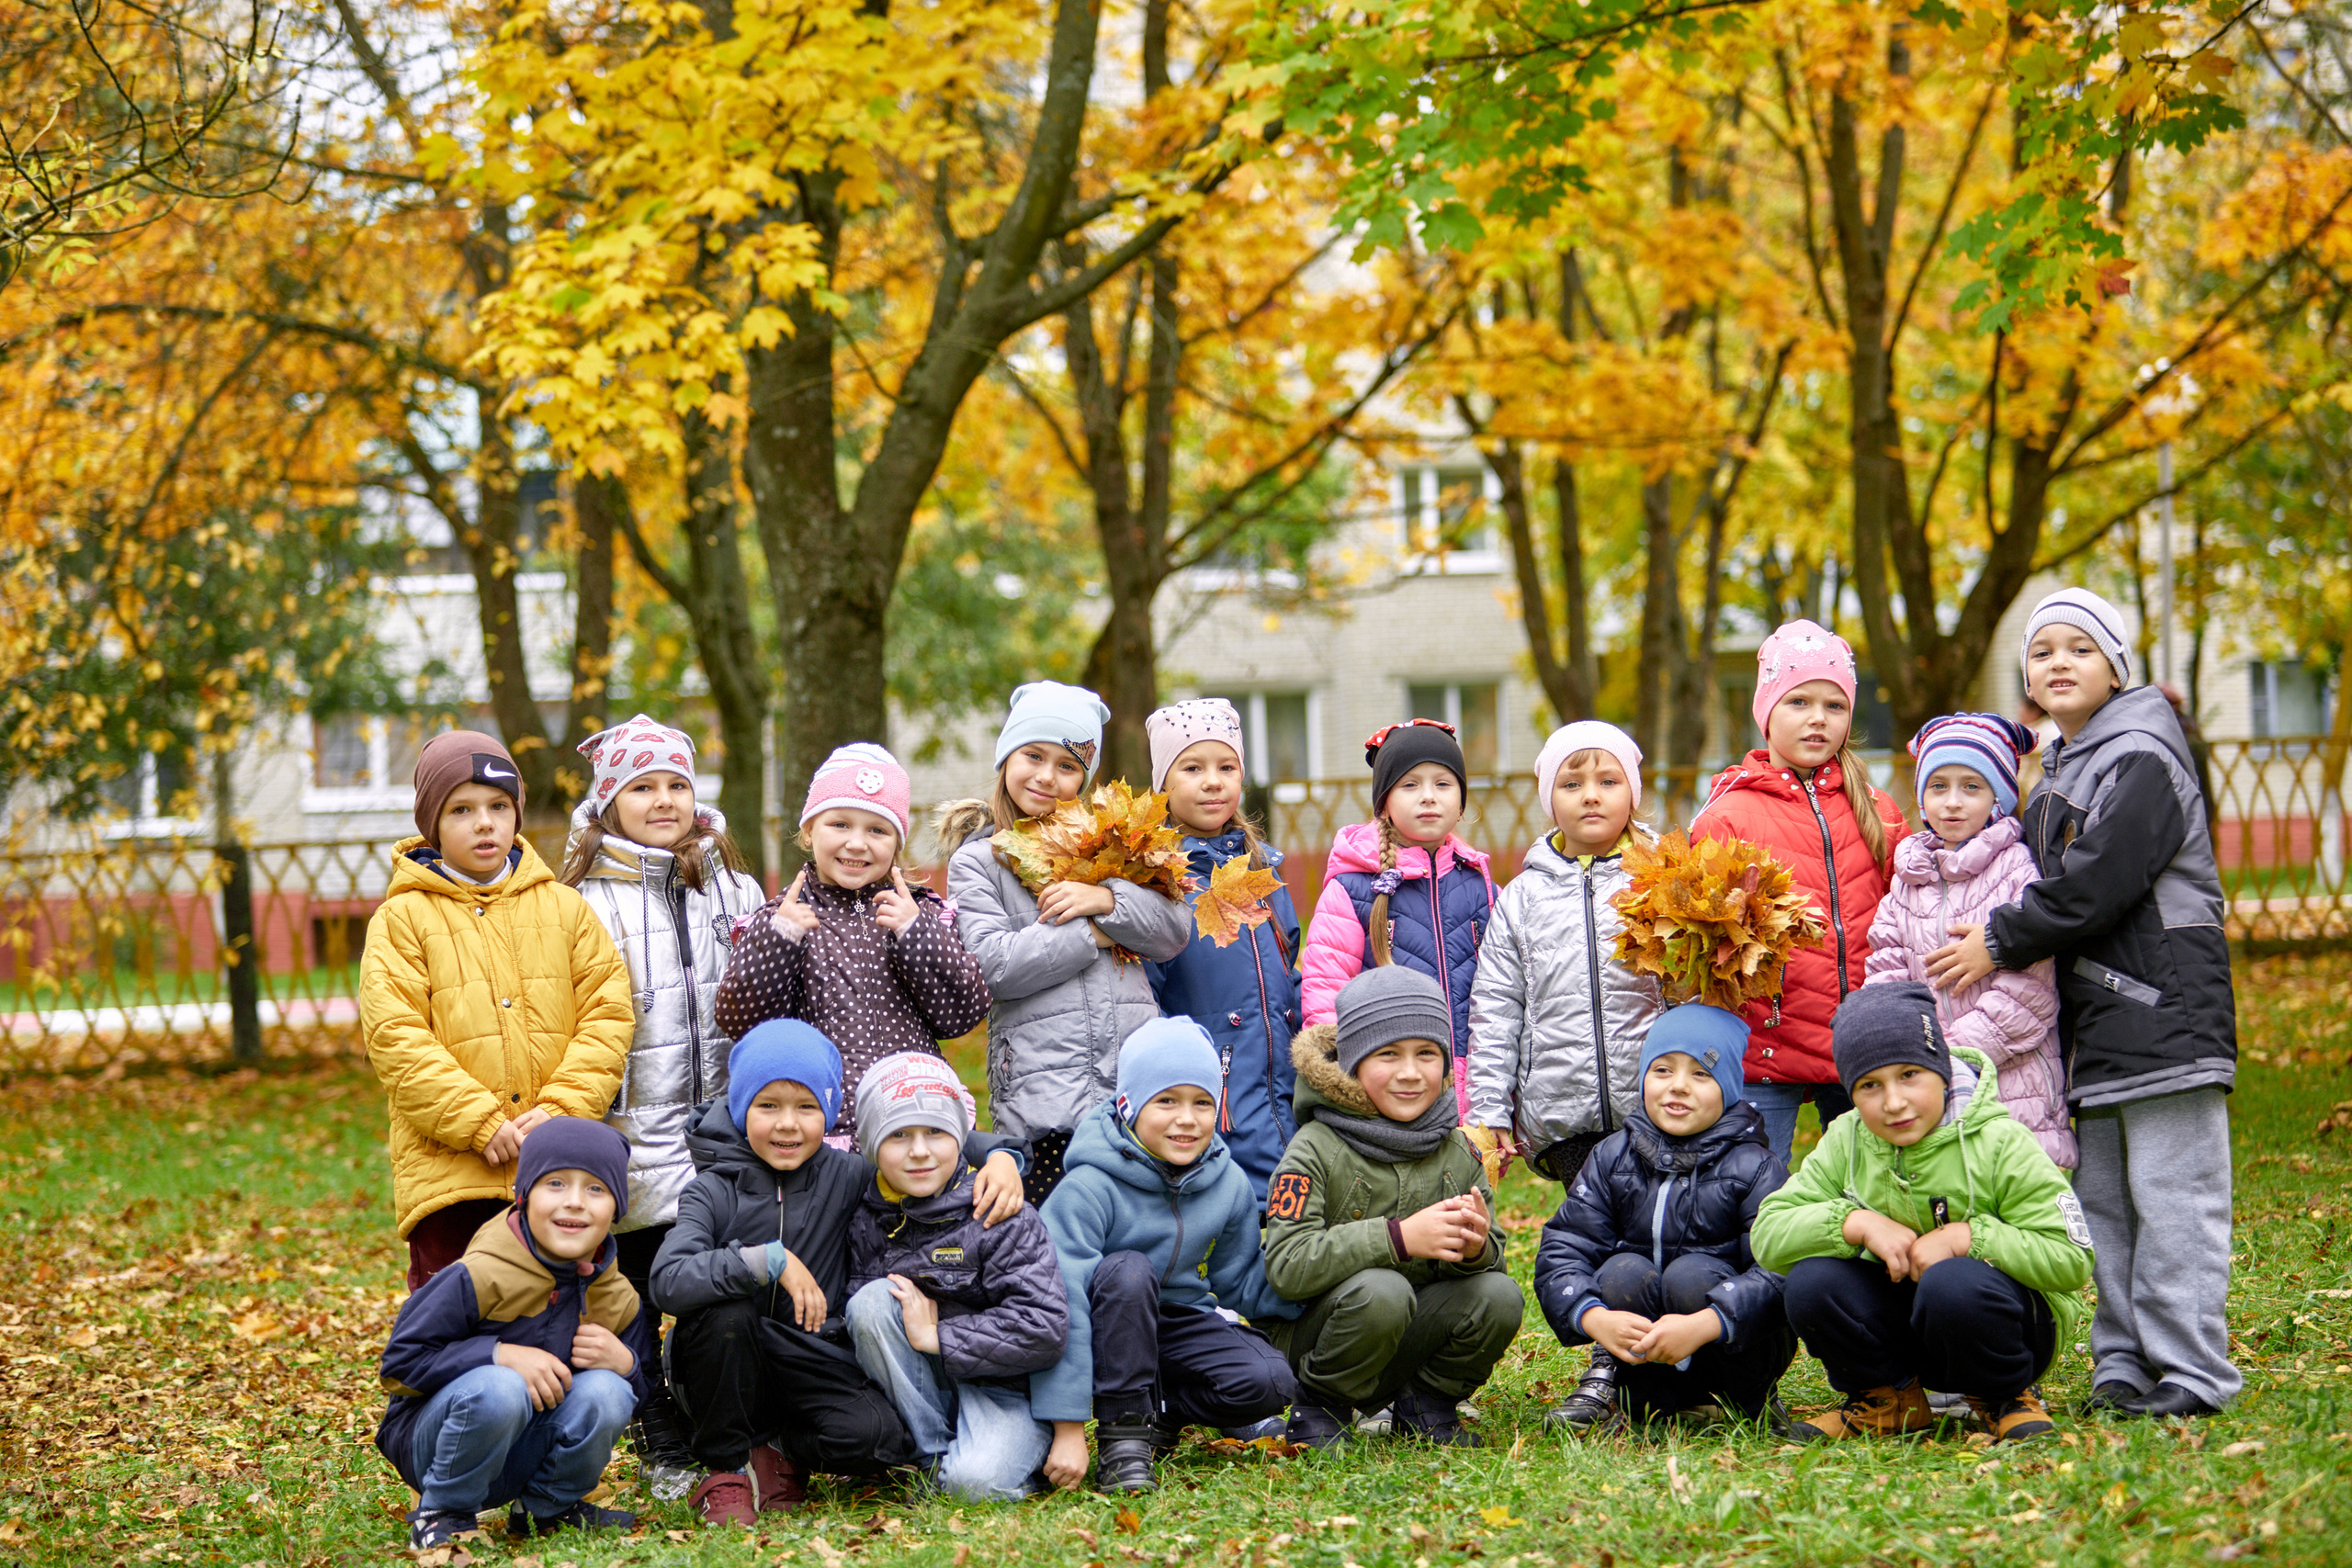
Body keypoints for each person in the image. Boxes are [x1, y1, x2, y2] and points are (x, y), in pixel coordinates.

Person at [1930, 588, 2241, 1420]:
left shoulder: (2142, 754)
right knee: (2104, 1201)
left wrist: (1996, 939)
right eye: (2042, 652)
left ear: (2116, 667)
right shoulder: (2062, 768)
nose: (2059, 663)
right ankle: (2124, 1362)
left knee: (2174, 1198)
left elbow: (2098, 883)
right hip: (2096, 1022)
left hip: (2165, 1011)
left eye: (2080, 648)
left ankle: (2193, 1369)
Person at [650, 1021, 1027, 1525]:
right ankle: (728, 1468)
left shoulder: (849, 1174)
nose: (788, 1124)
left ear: (828, 1111)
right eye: (768, 1106)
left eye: (806, 1107)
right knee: (727, 1316)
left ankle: (778, 1450)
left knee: (879, 1441)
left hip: (811, 1358)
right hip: (724, 1359)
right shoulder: (712, 1189)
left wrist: (1000, 1155)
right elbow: (668, 1280)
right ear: (741, 1109)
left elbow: (920, 1142)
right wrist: (768, 1261)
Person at [557, 714, 767, 1494]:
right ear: (610, 800)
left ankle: (722, 1416)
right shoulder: (581, 901)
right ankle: (658, 1432)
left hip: (720, 1130)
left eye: (677, 783)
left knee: (714, 1285)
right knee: (632, 1291)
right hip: (627, 1128)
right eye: (642, 786)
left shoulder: (731, 885)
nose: (664, 799)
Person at [1752, 983, 2094, 1444]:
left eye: (1909, 1074)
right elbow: (1768, 1234)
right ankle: (1889, 1398)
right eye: (1870, 1085)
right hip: (1910, 1332)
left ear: (1943, 1071)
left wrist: (1968, 1238)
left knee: (1952, 1282)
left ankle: (2003, 1398)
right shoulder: (1847, 1139)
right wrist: (1854, 1223)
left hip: (2004, 1329)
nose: (1893, 1102)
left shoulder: (2001, 1141)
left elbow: (2071, 1259)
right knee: (1813, 1281)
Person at [360, 730, 634, 1291]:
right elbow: (396, 1037)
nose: (484, 823)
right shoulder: (401, 920)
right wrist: (478, 1121)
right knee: (456, 1315)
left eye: (498, 807)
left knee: (555, 1313)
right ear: (432, 824)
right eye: (461, 810)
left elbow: (607, 1016)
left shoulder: (565, 908)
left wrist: (561, 1111)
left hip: (555, 1174)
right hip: (452, 1176)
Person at [1467, 720, 1664, 1428]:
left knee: (1651, 1235)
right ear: (1549, 797)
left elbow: (1692, 990)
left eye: (1608, 780)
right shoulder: (1522, 897)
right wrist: (1489, 1109)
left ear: (1632, 793)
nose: (1591, 795)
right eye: (1572, 782)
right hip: (1566, 1110)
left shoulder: (1660, 879)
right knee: (1604, 1237)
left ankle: (1644, 1366)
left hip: (1652, 1106)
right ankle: (1608, 1367)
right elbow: (1497, 1006)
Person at [1032, 1018, 1300, 1495]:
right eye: (1167, 1101)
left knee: (1271, 1381)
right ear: (1128, 1105)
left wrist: (1318, 1281)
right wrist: (1068, 1426)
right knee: (1130, 1270)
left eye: (1202, 1102)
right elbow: (1060, 1300)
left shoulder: (1226, 1181)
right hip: (1104, 1328)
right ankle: (1124, 1436)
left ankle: (1162, 1409)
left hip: (1176, 1323)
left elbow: (1240, 1279)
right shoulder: (1088, 1187)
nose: (1187, 1118)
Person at [1265, 968, 1523, 1450]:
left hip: (1401, 1335)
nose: (1410, 1072)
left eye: (1426, 1053)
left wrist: (1476, 1250)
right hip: (1315, 1339)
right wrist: (1398, 1238)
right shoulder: (1314, 1147)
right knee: (1383, 1291)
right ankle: (1320, 1405)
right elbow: (1286, 1267)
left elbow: (1491, 1267)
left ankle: (1425, 1402)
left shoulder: (1456, 1148)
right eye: (1388, 1054)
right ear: (1353, 1065)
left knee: (1499, 1295)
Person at [941, 684, 1193, 1165]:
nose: (1046, 776)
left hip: (1133, 1087)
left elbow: (1174, 930)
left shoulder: (1113, 845)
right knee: (1057, 1212)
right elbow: (993, 965)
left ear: (1084, 777)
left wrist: (1108, 898)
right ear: (1007, 757)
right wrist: (1093, 932)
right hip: (1043, 1096)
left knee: (1134, 1210)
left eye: (1067, 766)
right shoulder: (978, 862)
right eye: (1033, 755)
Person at [377, 1118, 650, 1551]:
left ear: (616, 1208)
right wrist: (497, 1354)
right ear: (524, 1196)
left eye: (596, 1189)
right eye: (555, 1184)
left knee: (609, 1390)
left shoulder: (616, 1296)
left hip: (526, 1450)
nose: (575, 1202)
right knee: (501, 1385)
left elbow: (643, 1390)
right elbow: (398, 1366)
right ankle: (443, 1513)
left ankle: (547, 1509)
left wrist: (626, 1364)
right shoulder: (479, 1273)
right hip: (437, 1444)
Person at [1691, 621, 1906, 1161]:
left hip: (1861, 1038)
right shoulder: (1728, 816)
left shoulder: (1877, 810)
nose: (1818, 718)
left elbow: (1908, 911)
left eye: (1835, 706)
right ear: (1766, 712)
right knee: (1754, 1188)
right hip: (1765, 1044)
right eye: (1799, 702)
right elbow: (1706, 944)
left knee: (1872, 1184)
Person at [1530, 1004, 1792, 1434]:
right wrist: (1594, 1317)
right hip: (1642, 1358)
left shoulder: (1756, 1167)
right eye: (1663, 1070)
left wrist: (1707, 1323)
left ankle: (1742, 1401)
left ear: (1728, 1087)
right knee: (1623, 1272)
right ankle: (1643, 1404)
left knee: (1690, 1275)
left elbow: (1780, 1271)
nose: (1679, 1086)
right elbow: (1564, 1249)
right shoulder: (1612, 1156)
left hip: (1734, 1352)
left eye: (1701, 1074)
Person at [714, 742, 991, 1147]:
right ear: (809, 831)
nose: (858, 843)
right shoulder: (780, 918)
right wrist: (778, 941)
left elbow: (960, 1014)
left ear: (897, 844)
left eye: (877, 830)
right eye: (840, 824)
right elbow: (742, 1022)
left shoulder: (920, 913)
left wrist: (916, 934)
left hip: (914, 1121)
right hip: (825, 1127)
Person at [843, 1052, 1069, 1501]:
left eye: (936, 1132)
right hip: (924, 1389)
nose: (920, 1151)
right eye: (898, 1135)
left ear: (961, 1137)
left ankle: (986, 1461)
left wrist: (938, 1336)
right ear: (870, 1144)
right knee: (869, 1302)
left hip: (1002, 1391)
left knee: (974, 1485)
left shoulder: (997, 1211)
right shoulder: (865, 1214)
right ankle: (930, 1457)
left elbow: (1043, 1326)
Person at [1862, 714, 2072, 1168]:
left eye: (1972, 787)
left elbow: (2029, 991)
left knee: (2015, 1194)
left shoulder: (2016, 870)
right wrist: (1907, 1048)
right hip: (1929, 1081)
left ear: (1999, 798)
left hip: (2014, 1084)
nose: (1952, 802)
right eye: (1938, 786)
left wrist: (1951, 1052)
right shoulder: (1909, 878)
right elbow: (1886, 972)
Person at [1142, 699, 1305, 1206]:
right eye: (1192, 768)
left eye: (1227, 767)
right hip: (1211, 1091)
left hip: (1282, 1086)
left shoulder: (1263, 871)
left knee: (1289, 1213)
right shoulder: (1156, 881)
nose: (1213, 782)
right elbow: (1145, 998)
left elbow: (1288, 963)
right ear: (1163, 784)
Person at [1300, 719, 1497, 1118]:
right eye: (1410, 785)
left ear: (1461, 802)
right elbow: (1326, 994)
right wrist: (1346, 1083)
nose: (1428, 797)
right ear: (1384, 803)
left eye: (1443, 784)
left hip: (1476, 1087)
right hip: (1388, 1088)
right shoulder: (1353, 889)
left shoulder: (1483, 887)